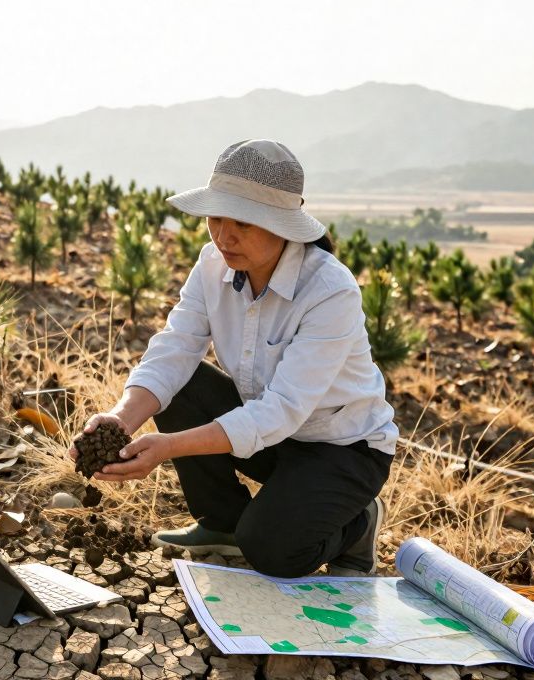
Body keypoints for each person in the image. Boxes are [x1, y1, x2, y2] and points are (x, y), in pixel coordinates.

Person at [69, 138, 397, 579]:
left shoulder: (329, 291)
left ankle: (357, 524)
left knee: (270, 550)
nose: (224, 235)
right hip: (275, 438)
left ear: (283, 226)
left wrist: (167, 448)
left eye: (242, 222)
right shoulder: (212, 265)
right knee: (181, 384)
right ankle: (222, 522)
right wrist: (122, 418)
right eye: (216, 217)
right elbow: (175, 347)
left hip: (341, 450)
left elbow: (283, 410)